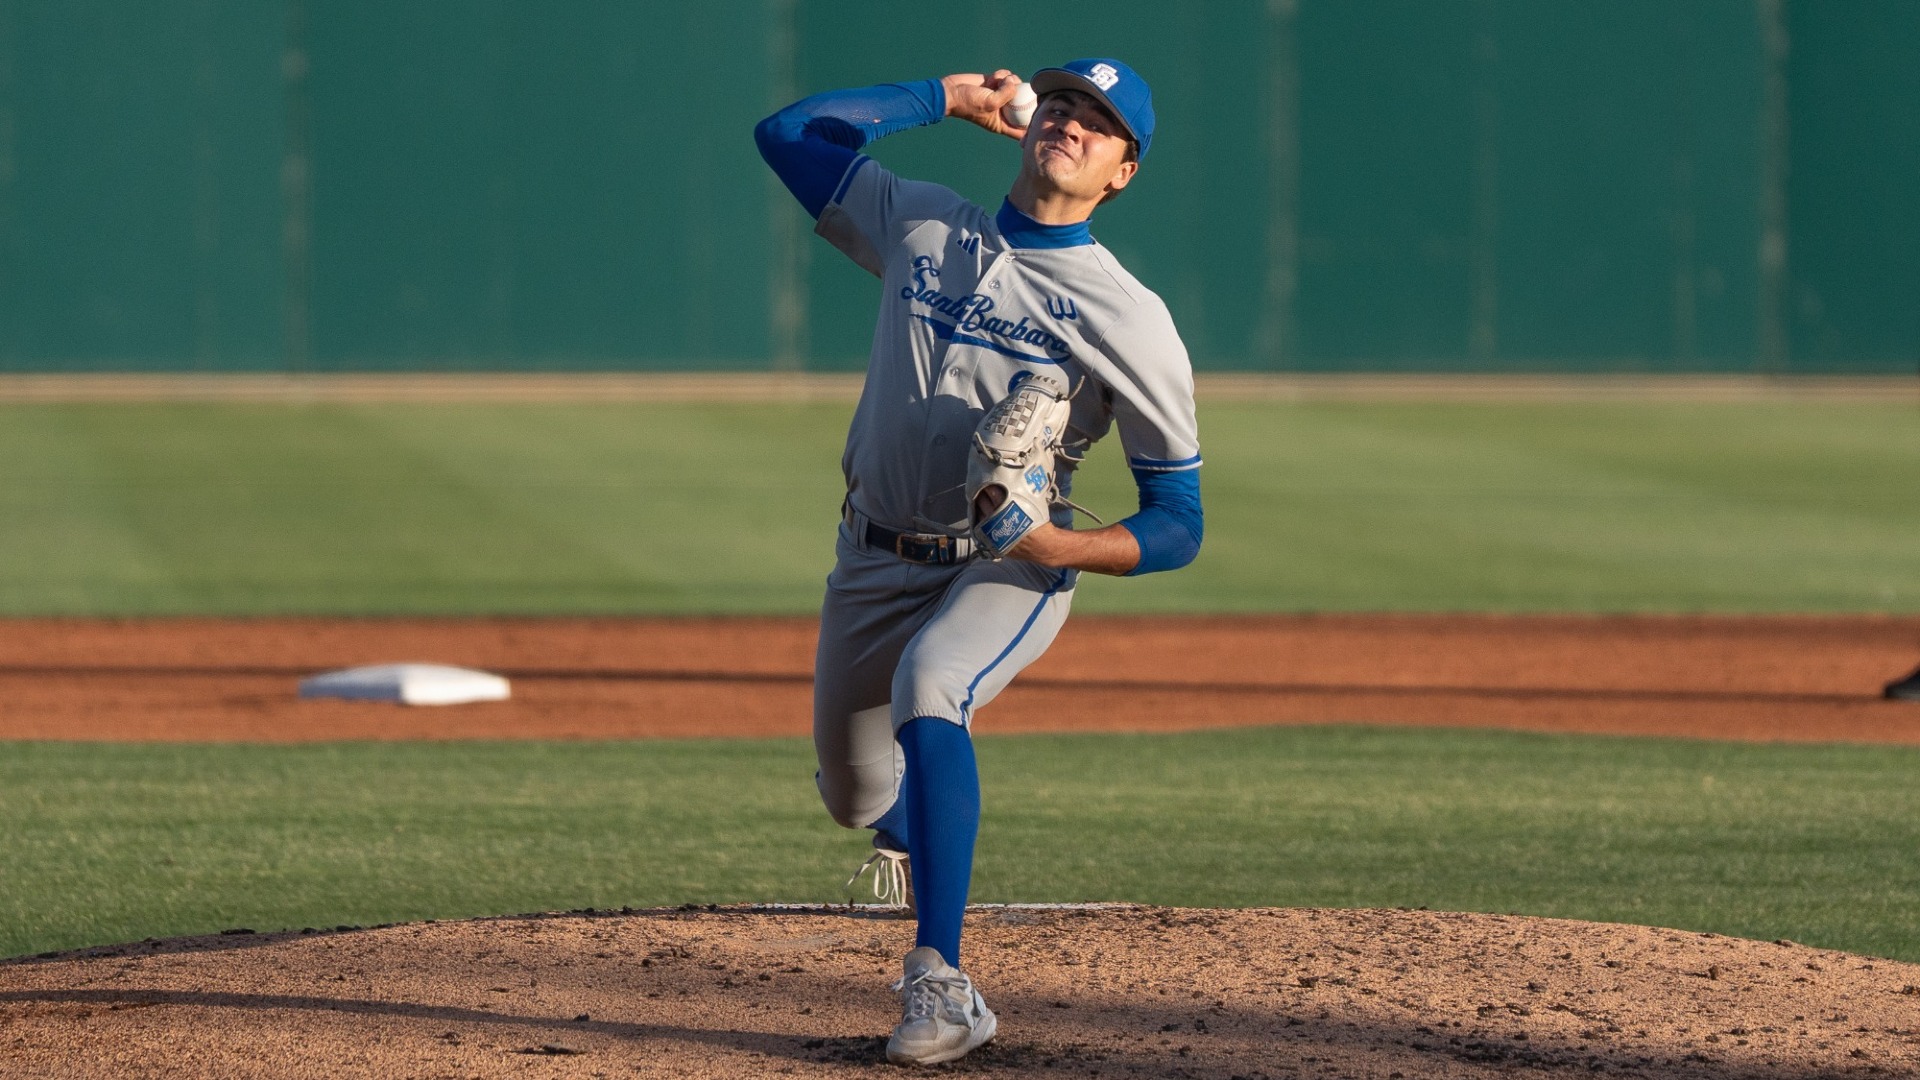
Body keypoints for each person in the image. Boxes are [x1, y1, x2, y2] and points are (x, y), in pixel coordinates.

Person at [755, 58, 1204, 1066]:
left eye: (1100, 124)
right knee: (855, 796)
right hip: (870, 551)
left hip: (1004, 563)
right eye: (1066, 106)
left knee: (934, 683)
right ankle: (911, 830)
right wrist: (941, 99)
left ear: (1122, 173)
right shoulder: (921, 224)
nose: (1074, 127)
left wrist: (1057, 547)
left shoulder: (1130, 318)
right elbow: (788, 136)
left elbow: (1179, 518)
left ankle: (941, 982)